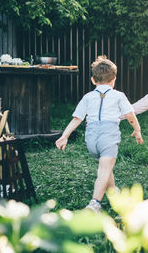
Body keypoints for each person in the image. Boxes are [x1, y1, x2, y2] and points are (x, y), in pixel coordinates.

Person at [55, 55, 143, 212]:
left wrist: (64, 135)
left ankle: (113, 190)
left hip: (91, 138)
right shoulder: (118, 95)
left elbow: (77, 118)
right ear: (113, 80)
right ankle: (95, 203)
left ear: (93, 80)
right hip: (108, 136)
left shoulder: (88, 97)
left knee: (105, 166)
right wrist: (137, 130)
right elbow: (130, 115)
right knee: (104, 169)